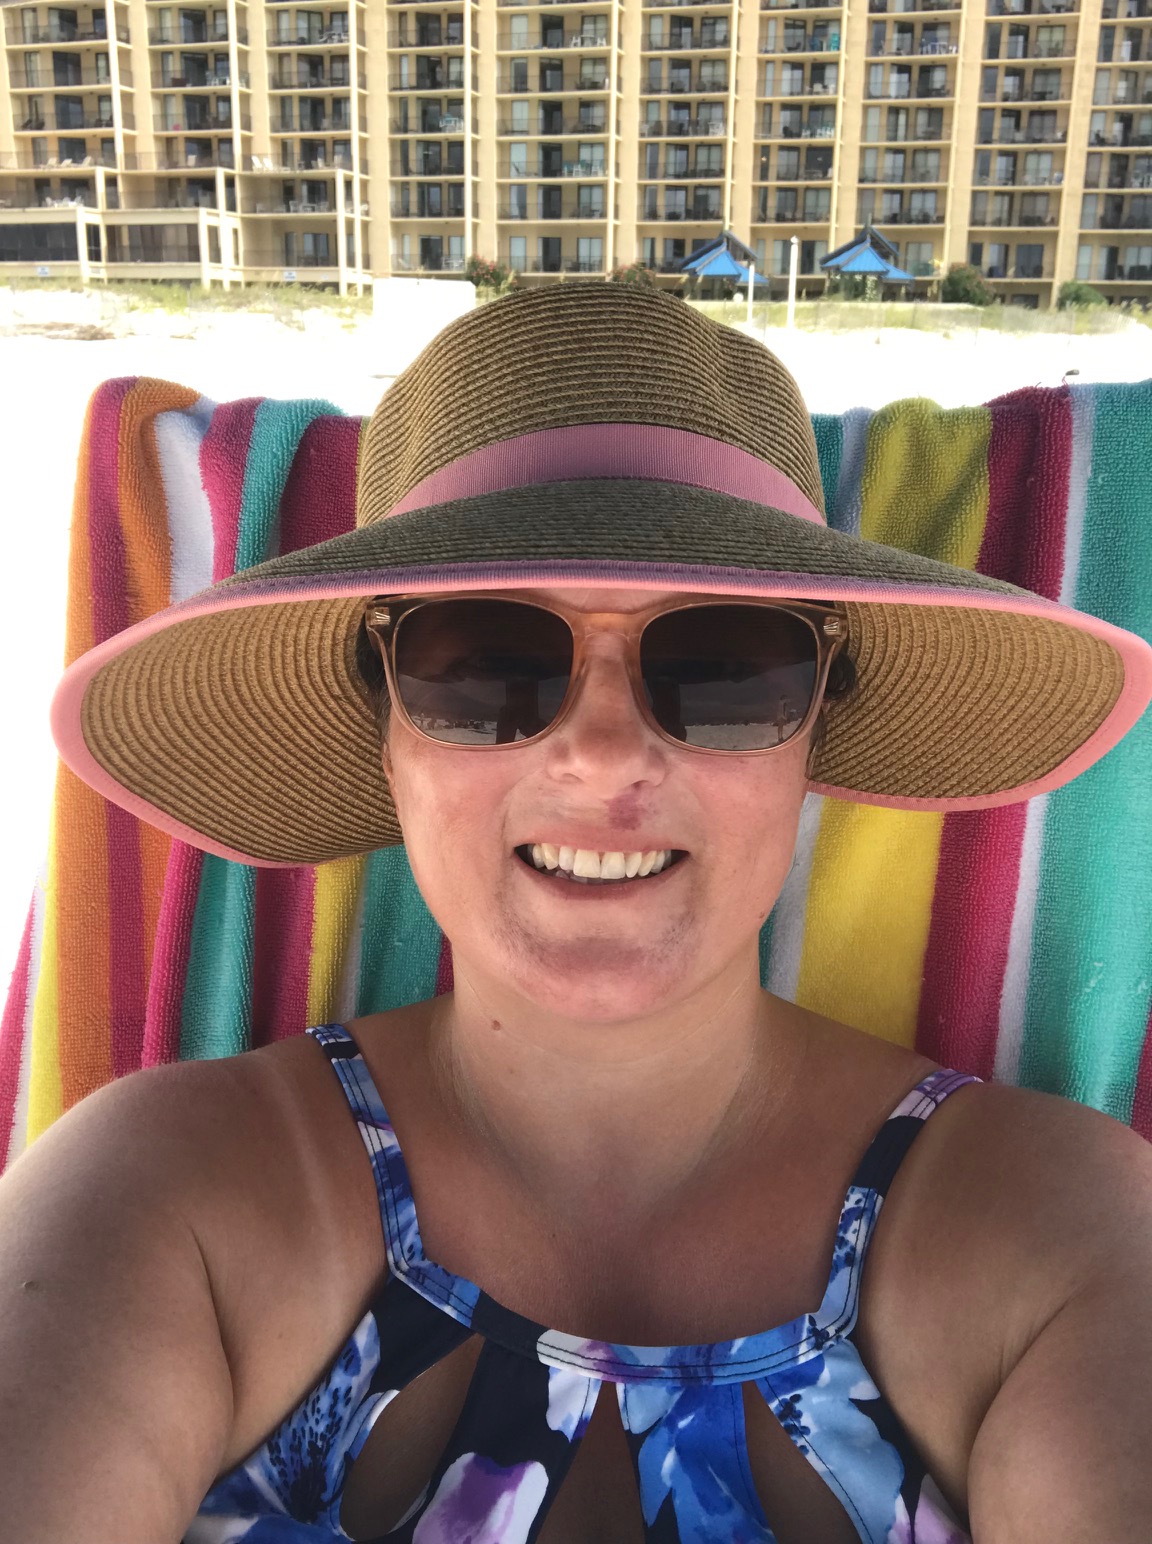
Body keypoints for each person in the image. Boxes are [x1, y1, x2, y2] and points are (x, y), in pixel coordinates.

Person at [3, 282, 1152, 1544]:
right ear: (385, 727)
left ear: (816, 723)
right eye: (485, 659)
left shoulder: (1066, 1238)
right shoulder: (160, 1203)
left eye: (724, 662)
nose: (603, 756)